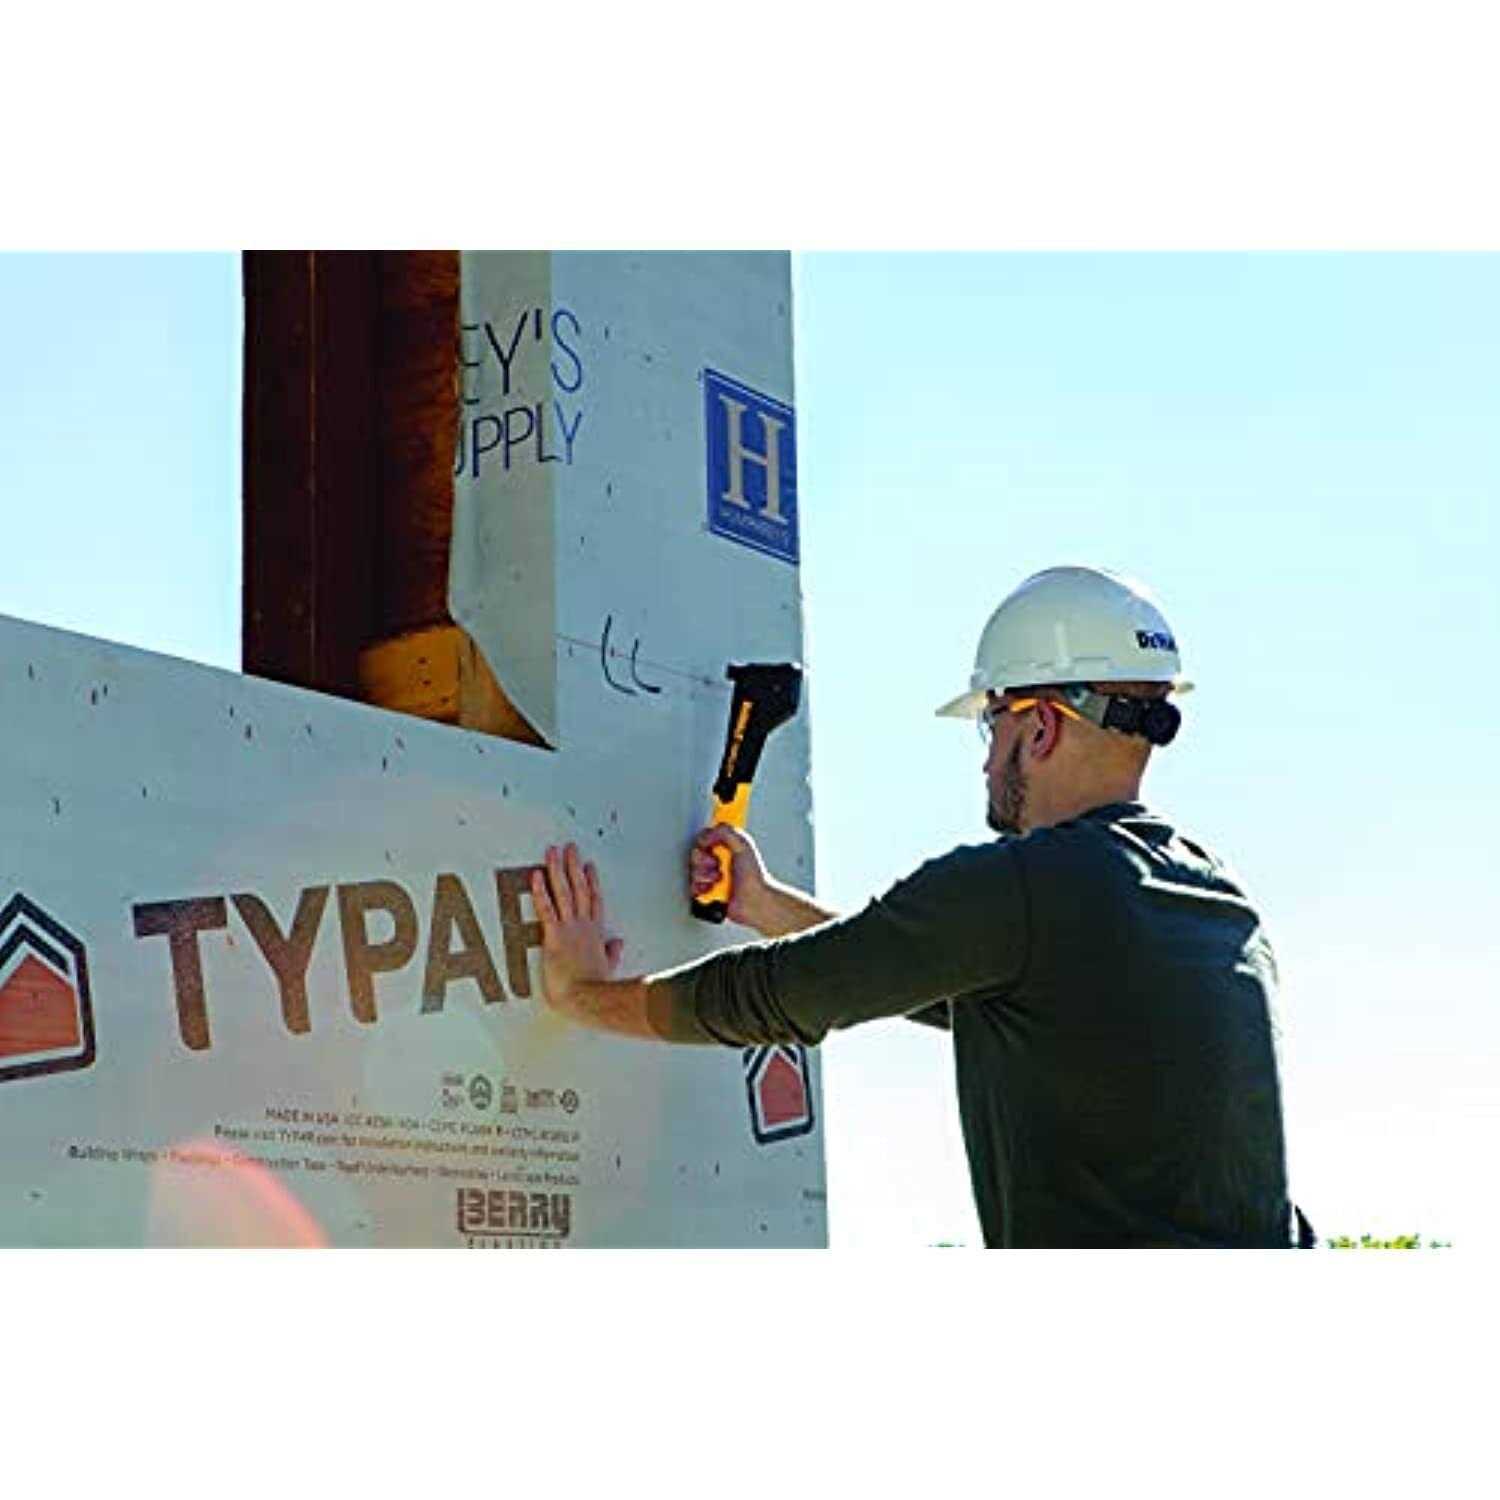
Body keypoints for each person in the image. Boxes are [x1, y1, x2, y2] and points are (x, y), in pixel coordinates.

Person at [530, 565, 1310, 1248]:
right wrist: (764, 905)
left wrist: (582, 995)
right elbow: (919, 975)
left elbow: (783, 993)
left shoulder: (1025, 886)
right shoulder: (1214, 896)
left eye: (991, 724)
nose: (987, 762)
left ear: (1040, 725)